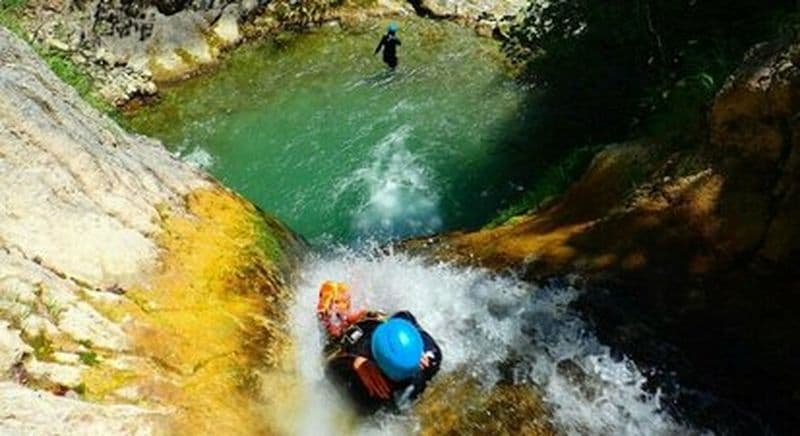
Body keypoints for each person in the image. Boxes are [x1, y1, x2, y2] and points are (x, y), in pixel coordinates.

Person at [317, 281, 441, 414]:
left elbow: (330, 368)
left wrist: (354, 363)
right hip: (379, 344)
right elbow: (405, 315)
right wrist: (415, 345)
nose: (329, 323)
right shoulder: (430, 355)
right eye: (323, 317)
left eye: (337, 316)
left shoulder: (371, 396)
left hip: (365, 359)